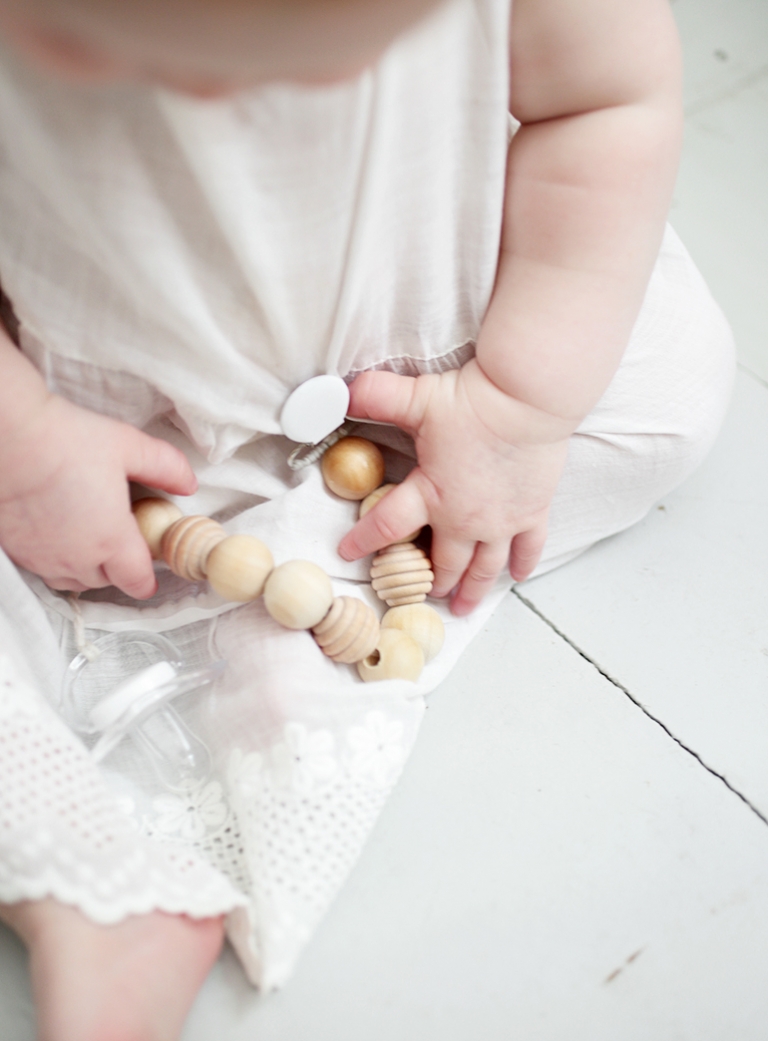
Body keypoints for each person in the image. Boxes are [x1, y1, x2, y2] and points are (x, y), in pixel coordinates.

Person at [0, 0, 734, 1038]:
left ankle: (298, 589)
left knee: (677, 378)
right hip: (87, 442)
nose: (207, 103)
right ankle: (88, 871)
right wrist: (22, 439)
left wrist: (522, 404)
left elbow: (606, 106)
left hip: (430, 381)